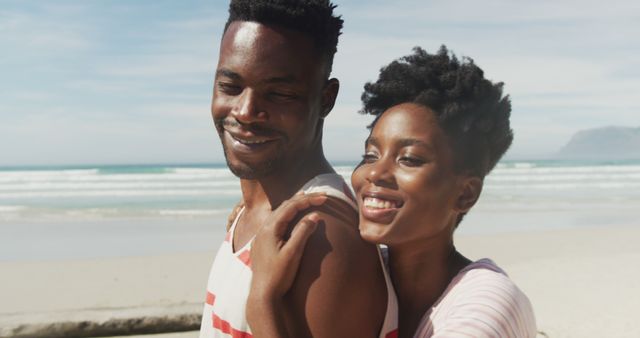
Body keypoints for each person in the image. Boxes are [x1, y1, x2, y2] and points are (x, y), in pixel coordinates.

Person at [248, 46, 537, 337]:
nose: (374, 173)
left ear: (466, 194)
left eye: (409, 159)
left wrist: (263, 302)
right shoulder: (371, 275)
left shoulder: (487, 306)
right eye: (371, 155)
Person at [200, 1, 398, 337]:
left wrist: (261, 301)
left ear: (326, 99)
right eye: (230, 87)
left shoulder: (321, 235)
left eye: (279, 94)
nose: (246, 111)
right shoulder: (253, 212)